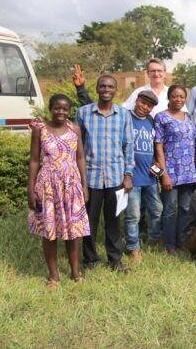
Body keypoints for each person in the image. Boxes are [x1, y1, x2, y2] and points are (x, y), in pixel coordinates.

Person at [27, 94, 89, 287]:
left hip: (71, 185)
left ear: (69, 111)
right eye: (56, 108)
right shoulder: (40, 130)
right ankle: (54, 276)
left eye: (64, 109)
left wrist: (85, 186)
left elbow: (80, 158)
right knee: (49, 231)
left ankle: (75, 272)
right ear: (50, 109)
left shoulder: (75, 129)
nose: (60, 112)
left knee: (73, 231)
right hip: (48, 185)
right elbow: (34, 161)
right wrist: (30, 190)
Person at [76, 74, 134, 274]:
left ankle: (115, 260)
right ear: (97, 89)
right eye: (103, 86)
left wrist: (128, 175)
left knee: (113, 222)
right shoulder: (83, 113)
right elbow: (78, 148)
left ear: (115, 90)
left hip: (115, 177)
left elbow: (129, 146)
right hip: (90, 178)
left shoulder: (124, 115)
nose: (106, 89)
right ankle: (90, 260)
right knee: (88, 222)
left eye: (110, 86)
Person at [155, 85, 196, 255]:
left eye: (181, 96)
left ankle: (182, 241)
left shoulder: (188, 117)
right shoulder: (161, 117)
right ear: (169, 97)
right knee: (170, 209)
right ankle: (170, 244)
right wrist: (163, 174)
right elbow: (158, 146)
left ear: (185, 98)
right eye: (174, 96)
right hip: (170, 172)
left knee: (186, 209)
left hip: (189, 172)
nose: (178, 99)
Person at [123, 90, 163, 262]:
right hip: (132, 177)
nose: (144, 107)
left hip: (150, 177)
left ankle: (154, 238)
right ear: (136, 100)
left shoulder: (150, 121)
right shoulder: (125, 118)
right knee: (133, 215)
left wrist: (157, 165)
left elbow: (153, 148)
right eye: (142, 103)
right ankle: (133, 247)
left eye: (149, 105)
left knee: (157, 210)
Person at [73, 59, 188, 117]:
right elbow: (122, 111)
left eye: (159, 71)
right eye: (153, 71)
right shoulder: (139, 92)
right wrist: (81, 89)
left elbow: (184, 115)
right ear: (148, 74)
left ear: (164, 73)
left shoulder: (172, 93)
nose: (156, 74)